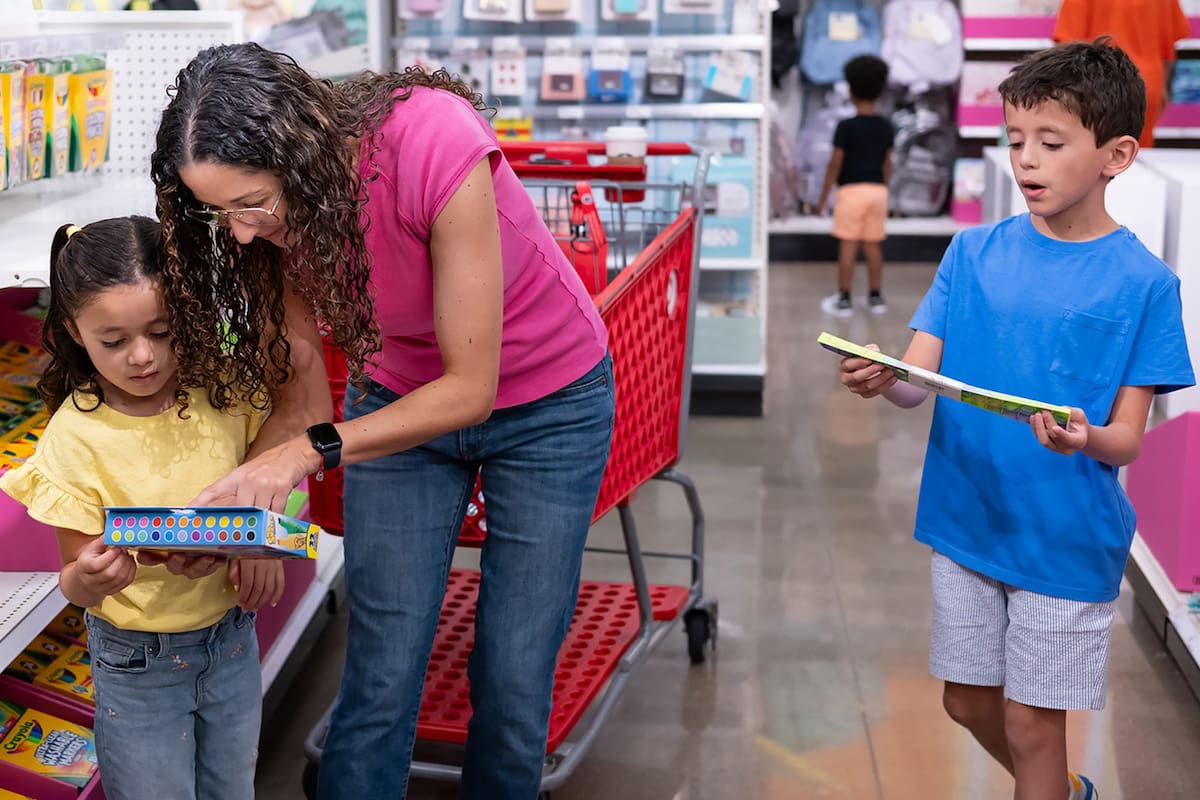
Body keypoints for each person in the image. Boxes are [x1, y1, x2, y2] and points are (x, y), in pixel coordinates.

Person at [149, 44, 615, 799]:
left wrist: (305, 456)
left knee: (514, 668)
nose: (237, 231)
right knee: (381, 662)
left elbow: (470, 390)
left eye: (251, 203)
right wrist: (236, 511)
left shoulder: (433, 139)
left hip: (549, 404)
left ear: (300, 157)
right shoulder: (268, 231)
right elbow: (302, 399)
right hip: (399, 394)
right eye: (218, 212)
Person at [836, 40, 1193, 800]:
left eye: (1051, 143)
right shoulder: (971, 253)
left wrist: (1084, 436)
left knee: (1035, 727)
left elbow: (1127, 438)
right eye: (1016, 140)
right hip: (967, 520)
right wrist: (881, 375)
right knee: (964, 701)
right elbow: (916, 381)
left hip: (1065, 538)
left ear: (1117, 155)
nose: (1026, 160)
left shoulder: (1147, 286)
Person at [0, 217, 285, 800]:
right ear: (75, 333)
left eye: (162, 330)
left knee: (233, 787)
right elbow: (75, 582)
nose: (142, 357)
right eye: (113, 340)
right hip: (136, 663)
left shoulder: (225, 392)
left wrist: (268, 542)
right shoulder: (75, 438)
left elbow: (276, 464)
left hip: (232, 639)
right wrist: (91, 575)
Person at [1054, 0, 1191, 149]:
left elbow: (1068, 46)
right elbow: (1168, 46)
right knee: (1137, 156)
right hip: (1147, 84)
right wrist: (1163, 85)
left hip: (1096, 85)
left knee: (1094, 155)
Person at [817, 54, 894, 318]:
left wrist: (823, 197)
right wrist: (885, 189)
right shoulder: (886, 126)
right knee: (873, 246)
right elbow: (887, 163)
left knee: (848, 246)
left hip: (851, 192)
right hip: (878, 191)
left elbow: (835, 164)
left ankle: (845, 299)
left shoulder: (846, 127)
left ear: (850, 91)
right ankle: (875, 297)